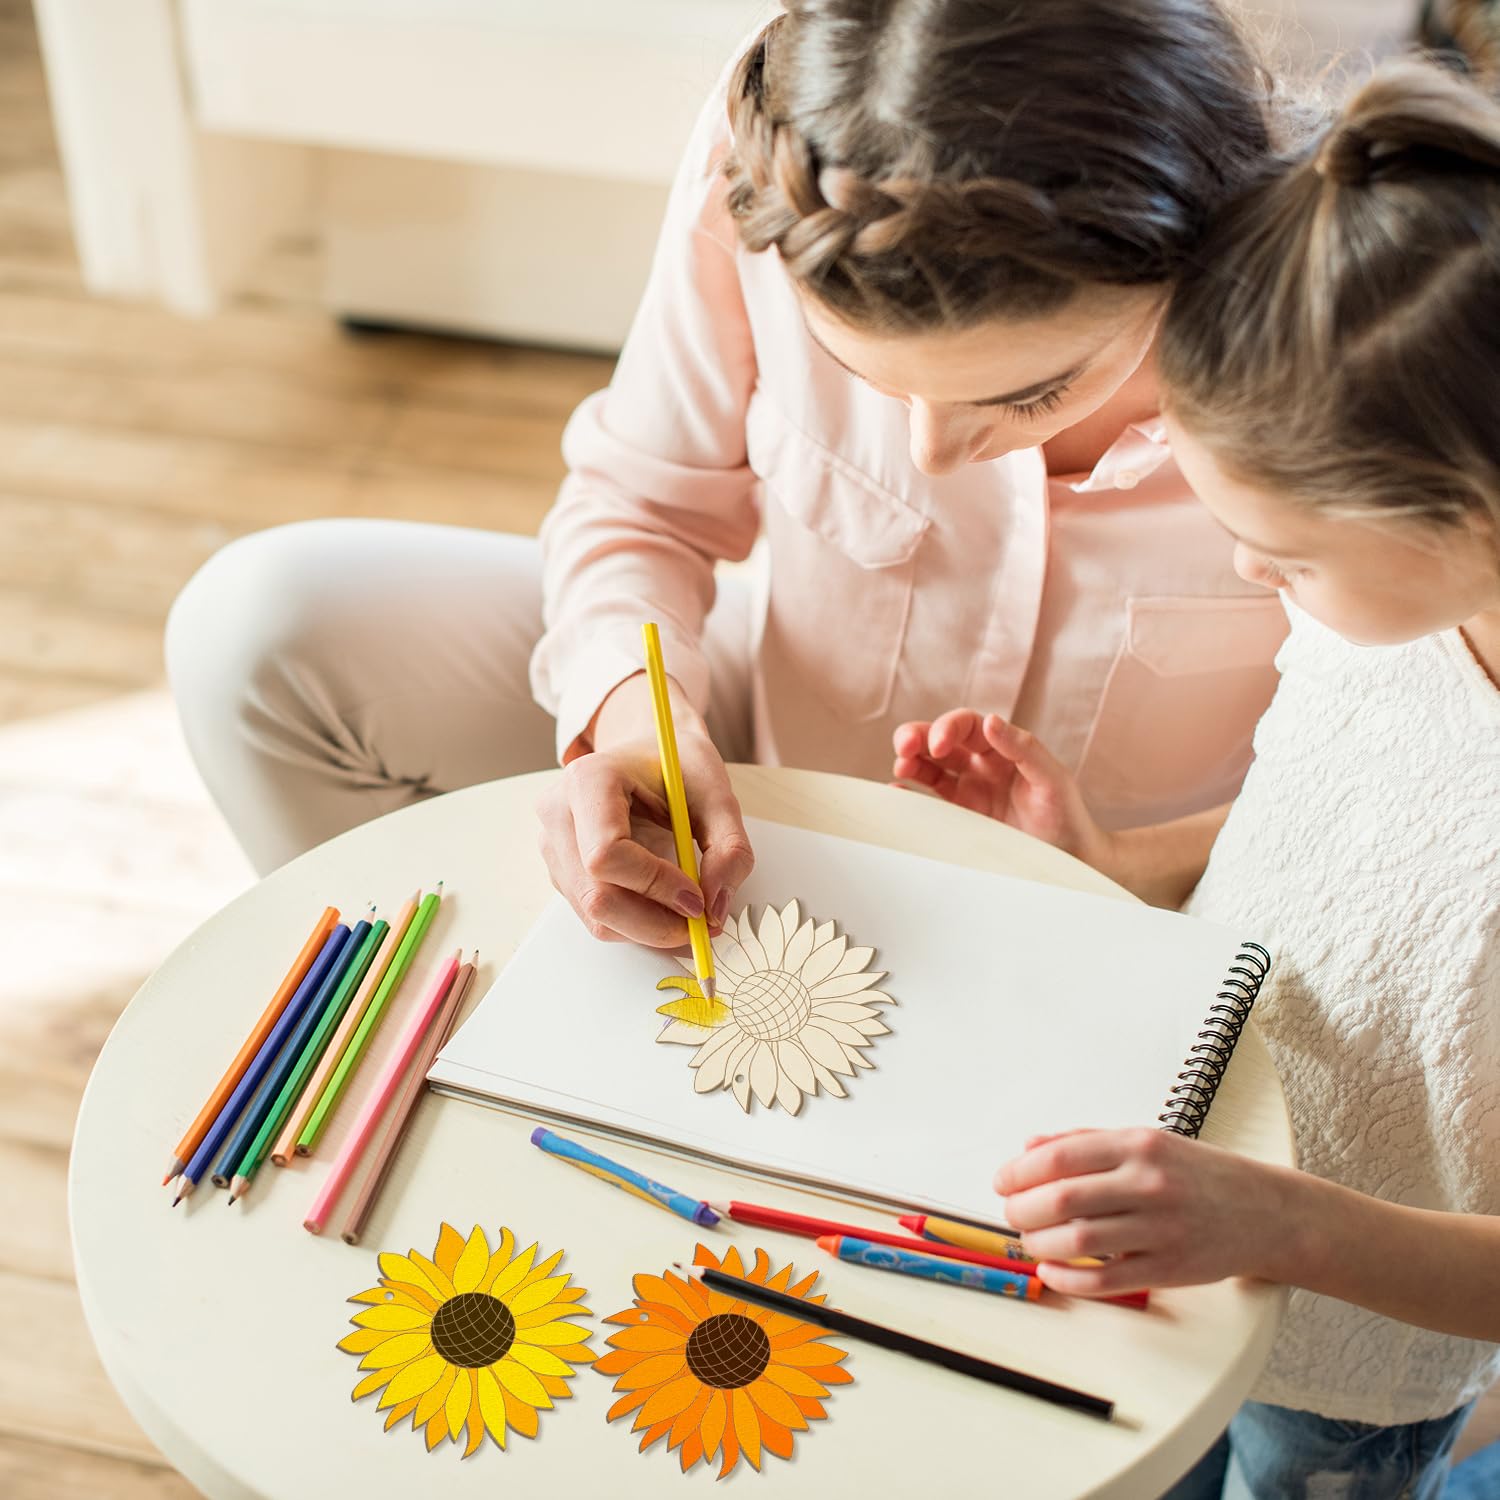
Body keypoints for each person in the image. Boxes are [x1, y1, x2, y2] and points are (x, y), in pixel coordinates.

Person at [166, 0, 1289, 938]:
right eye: (882, 389)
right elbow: (642, 498)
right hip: (772, 784)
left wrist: (1119, 868)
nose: (933, 455)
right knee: (259, 628)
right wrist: (633, 722)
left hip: (1130, 913)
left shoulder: (1374, 322)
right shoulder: (787, 155)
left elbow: (1428, 798)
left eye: (1031, 394)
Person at [895, 59, 1500, 1499]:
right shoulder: (1395, 610)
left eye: (1282, 557)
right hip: (1192, 1185)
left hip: (1356, 1337)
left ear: (1470, 509)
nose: (1248, 575)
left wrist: (1283, 1225)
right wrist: (1120, 861)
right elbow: (1365, 824)